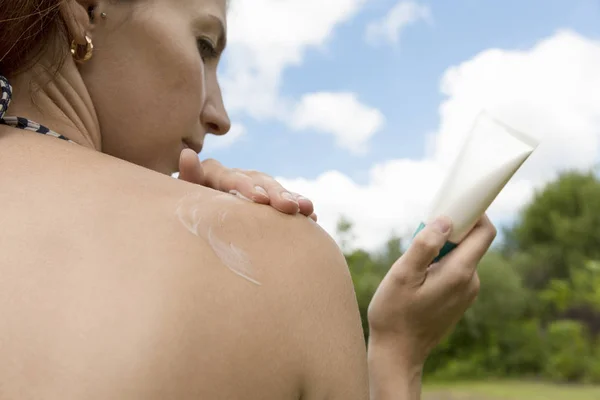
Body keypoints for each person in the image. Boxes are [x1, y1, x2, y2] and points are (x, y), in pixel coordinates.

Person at [0, 1, 497, 399]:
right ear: (85, 10)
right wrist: (397, 353)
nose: (220, 115)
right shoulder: (282, 256)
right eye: (204, 45)